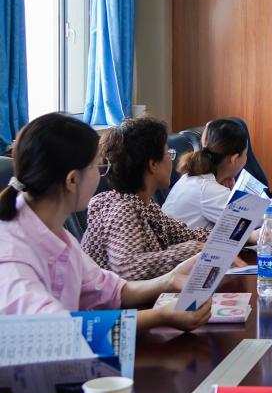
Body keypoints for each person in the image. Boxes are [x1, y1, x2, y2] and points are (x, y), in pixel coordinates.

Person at [0, 113, 211, 330]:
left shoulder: (56, 233)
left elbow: (110, 290)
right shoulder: (11, 254)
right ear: (72, 180)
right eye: (98, 167)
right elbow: (55, 330)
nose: (103, 175)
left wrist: (170, 279)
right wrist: (160, 316)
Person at [82, 117, 209, 280]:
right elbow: (128, 267)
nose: (171, 161)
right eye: (168, 154)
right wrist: (195, 249)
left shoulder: (144, 205)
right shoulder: (121, 209)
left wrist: (228, 238)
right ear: (152, 165)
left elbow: (185, 234)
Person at [161, 119, 248, 229]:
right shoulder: (209, 190)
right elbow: (256, 220)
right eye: (245, 154)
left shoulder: (193, 178)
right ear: (234, 159)